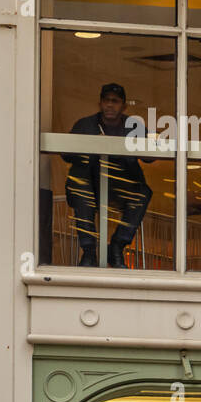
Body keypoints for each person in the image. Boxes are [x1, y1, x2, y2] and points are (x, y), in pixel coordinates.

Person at [63, 83, 152, 268]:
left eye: (115, 101)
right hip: (89, 184)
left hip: (120, 187)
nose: (110, 105)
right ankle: (89, 252)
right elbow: (66, 154)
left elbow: (150, 157)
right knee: (79, 188)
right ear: (100, 103)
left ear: (124, 106)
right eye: (106, 100)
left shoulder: (134, 126)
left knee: (142, 193)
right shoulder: (85, 124)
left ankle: (117, 247)